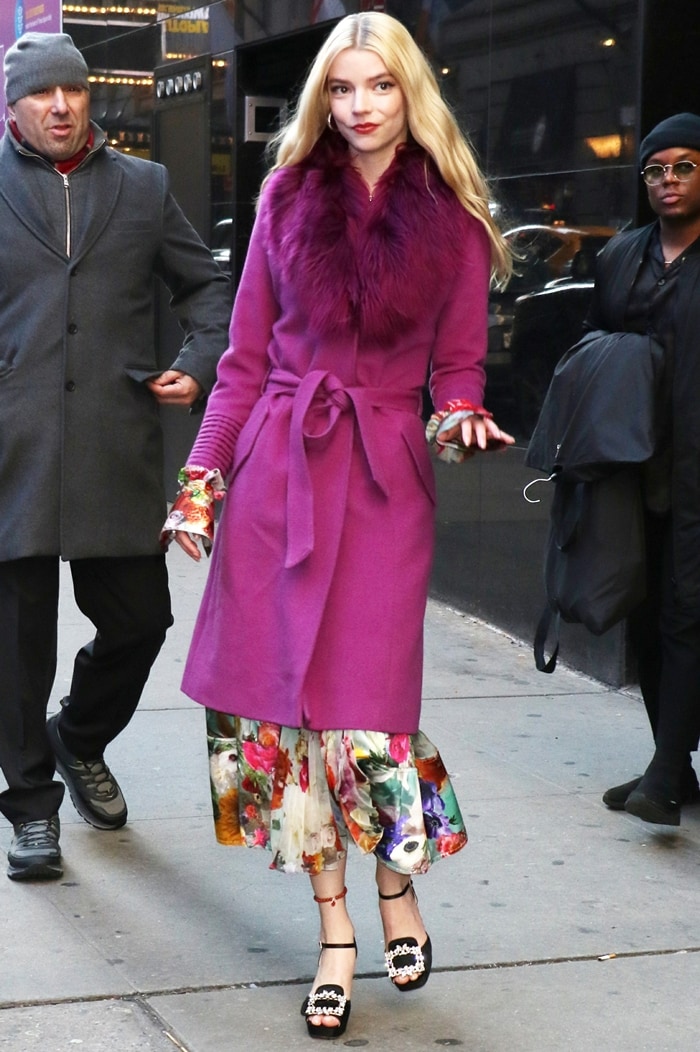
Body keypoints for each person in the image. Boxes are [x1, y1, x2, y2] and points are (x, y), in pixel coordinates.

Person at [162, 11, 513, 1041]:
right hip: (277, 470)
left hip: (381, 483)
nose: (360, 105)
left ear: (412, 95)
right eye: (344, 88)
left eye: (380, 87)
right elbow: (241, 360)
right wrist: (200, 481)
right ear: (324, 96)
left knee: (370, 715)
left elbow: (456, 369)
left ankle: (396, 881)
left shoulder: (448, 215)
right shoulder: (284, 194)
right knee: (286, 721)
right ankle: (334, 935)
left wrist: (458, 420)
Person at [0, 33, 230, 882]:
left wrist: (200, 365)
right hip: (10, 454)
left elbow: (207, 289)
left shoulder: (143, 186)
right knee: (17, 648)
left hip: (112, 445)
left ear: (90, 99)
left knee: (140, 622)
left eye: (73, 91)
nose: (60, 106)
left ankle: (80, 738)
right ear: (15, 106)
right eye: (41, 95)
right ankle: (30, 811)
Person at [586, 113, 700, 826]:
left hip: (698, 469)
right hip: (637, 465)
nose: (667, 181)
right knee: (650, 610)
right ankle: (673, 761)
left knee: (687, 610)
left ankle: (664, 774)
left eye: (684, 167)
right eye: (655, 170)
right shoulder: (622, 257)